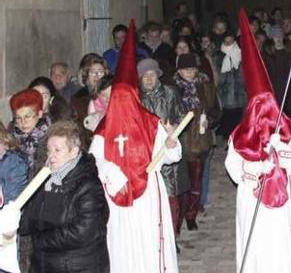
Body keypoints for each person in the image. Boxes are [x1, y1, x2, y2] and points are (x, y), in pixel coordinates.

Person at [90, 20, 180, 273]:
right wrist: (112, 173)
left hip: (148, 192)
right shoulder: (104, 130)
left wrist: (172, 143)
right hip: (116, 195)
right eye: (117, 99)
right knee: (120, 244)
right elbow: (94, 161)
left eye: (126, 98)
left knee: (149, 241)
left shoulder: (152, 123)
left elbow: (172, 156)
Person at [224, 10, 291, 273]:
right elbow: (232, 167)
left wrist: (281, 150)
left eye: (268, 107)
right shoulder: (239, 136)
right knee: (257, 240)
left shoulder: (287, 129)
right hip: (253, 196)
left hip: (283, 194)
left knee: (282, 236)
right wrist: (255, 169)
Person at [14, 121, 110, 272]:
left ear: (74, 151)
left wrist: (41, 240)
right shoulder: (45, 179)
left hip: (76, 266)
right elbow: (31, 216)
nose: (51, 156)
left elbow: (84, 231)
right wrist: (15, 224)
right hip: (44, 264)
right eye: (49, 150)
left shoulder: (89, 185)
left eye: (57, 150)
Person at [137, 58, 188, 235]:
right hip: (147, 154)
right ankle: (157, 237)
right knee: (152, 200)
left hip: (169, 149)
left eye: (152, 75)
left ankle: (171, 237)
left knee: (171, 197)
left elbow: (182, 115)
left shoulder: (170, 93)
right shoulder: (136, 98)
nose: (149, 79)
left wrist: (174, 129)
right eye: (145, 76)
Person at [173, 53, 219, 231]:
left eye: (192, 69)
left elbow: (216, 109)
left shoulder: (205, 86)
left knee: (196, 182)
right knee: (180, 184)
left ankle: (191, 216)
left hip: (200, 139)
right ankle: (177, 219)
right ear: (179, 71)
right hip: (180, 139)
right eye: (185, 69)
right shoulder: (173, 88)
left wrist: (211, 120)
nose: (189, 73)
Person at [8, 89, 51, 174]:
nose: (23, 122)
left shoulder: (52, 137)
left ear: (39, 114)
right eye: (18, 118)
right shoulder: (10, 138)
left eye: (27, 116)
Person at [215, 31, 246, 140]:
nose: (228, 44)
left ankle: (237, 139)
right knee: (227, 119)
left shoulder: (241, 54)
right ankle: (228, 138)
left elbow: (244, 76)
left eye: (231, 41)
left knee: (238, 118)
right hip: (225, 96)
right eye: (226, 42)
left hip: (239, 95)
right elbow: (218, 77)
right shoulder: (219, 56)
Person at [69, 55, 108, 124]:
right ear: (86, 76)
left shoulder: (113, 93)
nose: (97, 75)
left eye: (100, 72)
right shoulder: (78, 98)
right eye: (92, 72)